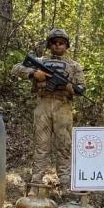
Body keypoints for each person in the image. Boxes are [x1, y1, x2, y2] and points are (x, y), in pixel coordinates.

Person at [12, 28, 86, 192]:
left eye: (61, 43)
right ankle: (36, 185)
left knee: (64, 146)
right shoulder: (40, 61)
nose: (58, 45)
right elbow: (16, 68)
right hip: (43, 105)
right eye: (54, 42)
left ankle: (66, 186)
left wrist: (69, 87)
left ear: (66, 45)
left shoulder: (74, 66)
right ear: (49, 44)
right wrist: (33, 74)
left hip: (63, 107)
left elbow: (81, 88)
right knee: (41, 145)